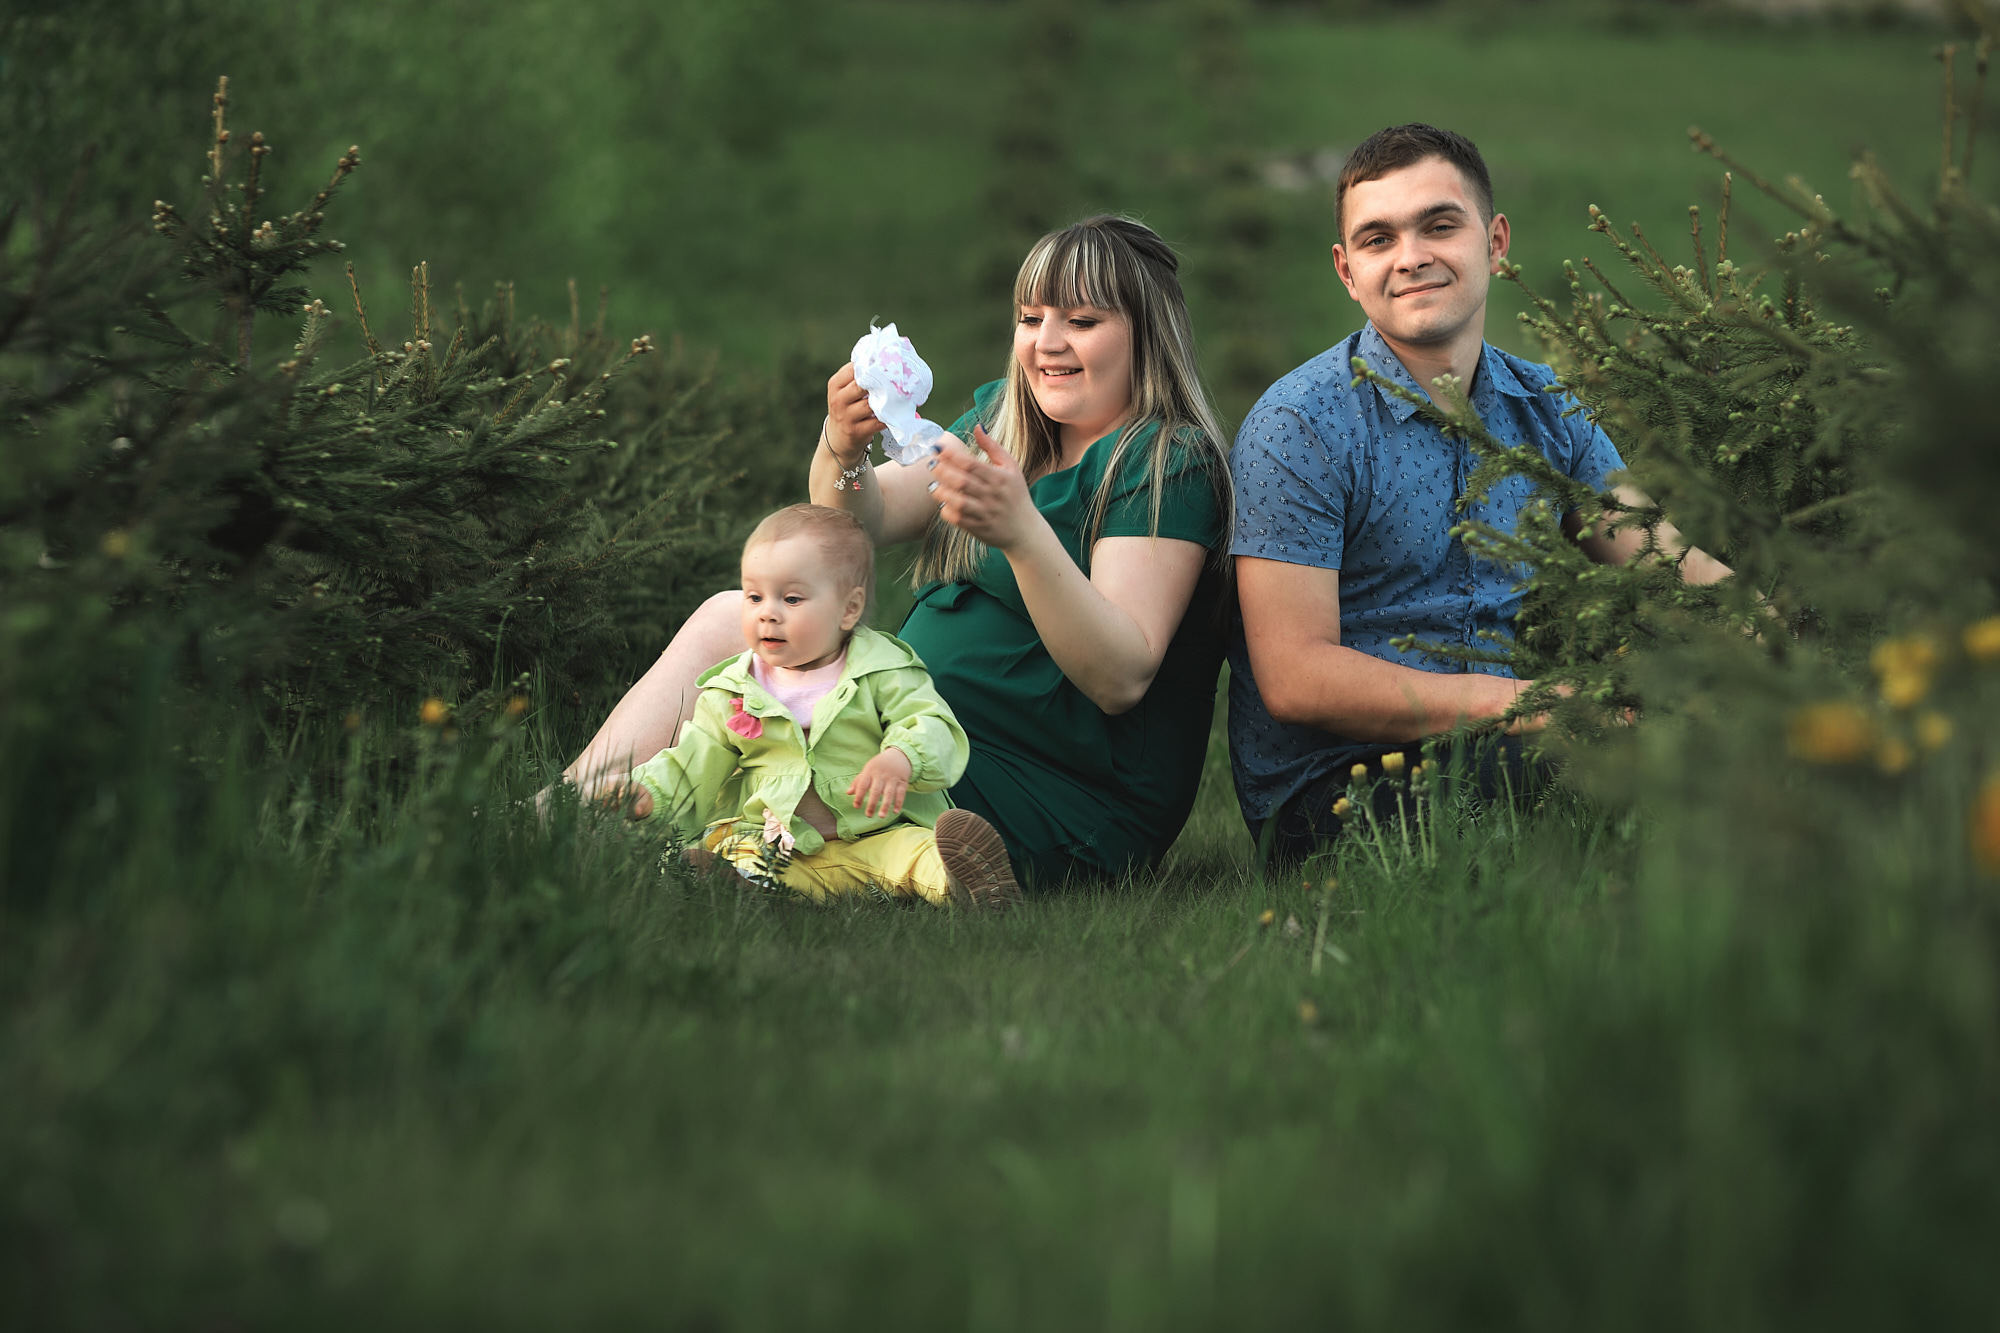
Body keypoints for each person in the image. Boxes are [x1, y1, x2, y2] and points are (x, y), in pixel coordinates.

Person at [564, 215, 1234, 886]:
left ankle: (664, 851)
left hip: (1051, 784)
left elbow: (1121, 677)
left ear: (1146, 336)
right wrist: (843, 446)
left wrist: (1022, 535)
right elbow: (852, 526)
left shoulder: (1163, 462)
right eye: (1031, 318)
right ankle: (557, 817)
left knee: (770, 755)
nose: (1047, 343)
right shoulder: (1006, 425)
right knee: (726, 617)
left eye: (1082, 321)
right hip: (910, 724)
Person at [1228, 124, 1733, 861]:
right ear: (1346, 269)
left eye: (1439, 225)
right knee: (1630, 776)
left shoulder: (1547, 406)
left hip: (1504, 750)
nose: (1411, 257)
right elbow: (1296, 678)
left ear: (1495, 242)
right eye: (1377, 239)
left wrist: (1792, 651)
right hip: (1332, 792)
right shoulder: (1298, 426)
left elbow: (1666, 560)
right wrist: (1534, 705)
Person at [618, 503, 1021, 910]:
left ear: (849, 609)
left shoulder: (882, 669)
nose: (767, 614)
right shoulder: (734, 690)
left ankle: (968, 881)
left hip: (877, 836)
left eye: (791, 599)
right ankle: (750, 891)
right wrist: (648, 792)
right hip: (781, 843)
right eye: (754, 596)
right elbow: (694, 763)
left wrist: (901, 758)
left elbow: (930, 723)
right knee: (740, 855)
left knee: (917, 853)